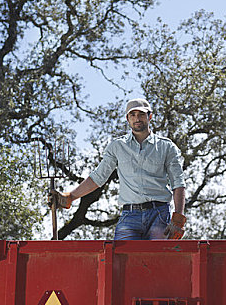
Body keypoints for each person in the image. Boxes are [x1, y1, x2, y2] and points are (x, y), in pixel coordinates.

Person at [50, 98, 187, 240]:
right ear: (127, 119)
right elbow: (98, 177)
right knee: (119, 260)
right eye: (132, 115)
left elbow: (178, 183)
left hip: (159, 214)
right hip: (130, 215)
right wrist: (71, 197)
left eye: (141, 114)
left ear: (150, 116)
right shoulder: (118, 146)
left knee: (158, 260)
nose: (137, 118)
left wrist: (178, 218)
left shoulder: (166, 147)